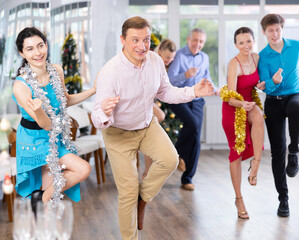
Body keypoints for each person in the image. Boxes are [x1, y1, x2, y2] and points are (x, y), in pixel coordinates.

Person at [91, 16, 214, 240]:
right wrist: (105, 113)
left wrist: (194, 91)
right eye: (135, 40)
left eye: (146, 40)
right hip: (118, 134)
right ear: (123, 40)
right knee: (127, 193)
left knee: (170, 160)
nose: (141, 46)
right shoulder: (111, 72)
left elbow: (165, 92)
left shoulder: (155, 61)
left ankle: (143, 197)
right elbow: (96, 115)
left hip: (147, 126)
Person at [12, 27, 111, 209]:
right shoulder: (21, 86)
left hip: (54, 137)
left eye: (40, 45)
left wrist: (93, 90)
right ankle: (40, 201)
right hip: (33, 140)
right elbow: (45, 123)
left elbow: (64, 100)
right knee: (84, 169)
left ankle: (40, 202)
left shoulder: (56, 71)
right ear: (22, 53)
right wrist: (40, 111)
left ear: (46, 45)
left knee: (52, 196)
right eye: (30, 49)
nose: (37, 52)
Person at [258, 14, 299, 217]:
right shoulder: (263, 56)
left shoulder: (297, 46)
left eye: (277, 30)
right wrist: (273, 81)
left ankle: (294, 151)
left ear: (282, 29)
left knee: (297, 108)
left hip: (295, 95)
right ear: (264, 32)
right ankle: (283, 199)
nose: (274, 34)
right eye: (270, 31)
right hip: (273, 102)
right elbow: (264, 83)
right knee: (277, 153)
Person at [221, 27, 265, 219]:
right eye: (241, 42)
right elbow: (230, 97)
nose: (245, 46)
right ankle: (239, 198)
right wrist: (242, 104)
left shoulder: (256, 58)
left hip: (250, 104)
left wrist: (262, 84)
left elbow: (259, 81)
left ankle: (255, 165)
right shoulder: (234, 64)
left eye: (248, 41)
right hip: (234, 108)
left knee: (258, 116)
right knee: (236, 155)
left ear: (254, 41)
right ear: (235, 45)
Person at [167, 28, 217, 191]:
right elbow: (169, 80)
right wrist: (185, 76)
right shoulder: (180, 55)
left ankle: (187, 178)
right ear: (188, 39)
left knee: (196, 135)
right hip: (180, 98)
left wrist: (215, 89)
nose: (198, 44)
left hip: (196, 99)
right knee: (193, 125)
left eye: (201, 41)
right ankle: (176, 153)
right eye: (195, 40)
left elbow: (207, 78)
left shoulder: (205, 57)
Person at [142, 39, 186, 179]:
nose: (169, 60)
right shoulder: (150, 61)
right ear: (159, 52)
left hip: (151, 101)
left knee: (150, 138)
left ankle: (147, 173)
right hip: (142, 100)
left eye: (172, 58)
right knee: (160, 116)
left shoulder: (164, 65)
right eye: (167, 57)